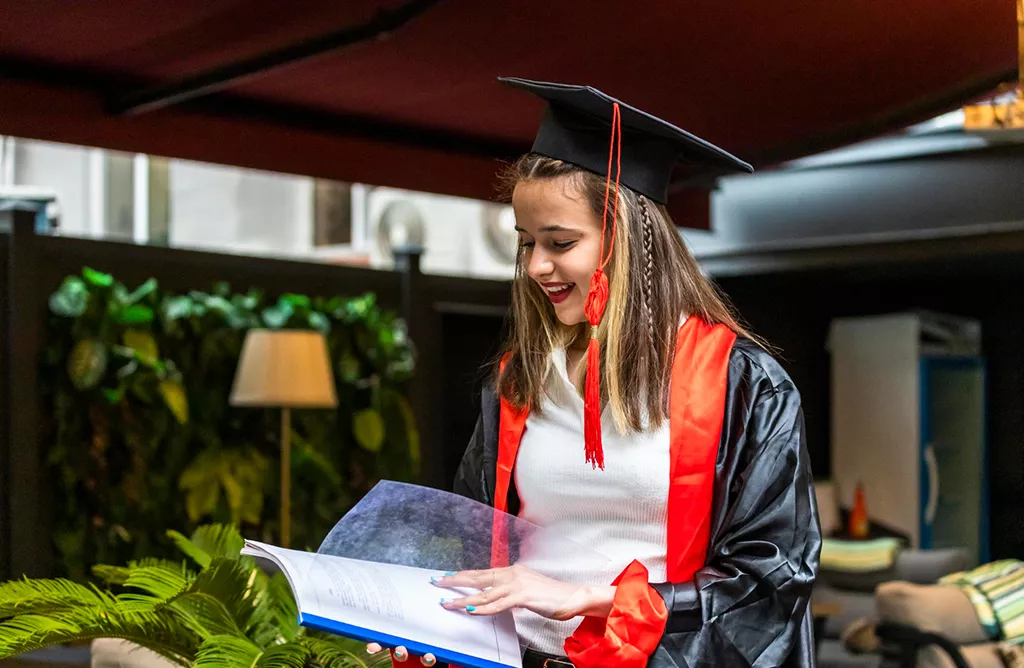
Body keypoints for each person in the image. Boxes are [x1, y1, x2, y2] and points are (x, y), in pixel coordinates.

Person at [368, 77, 821, 668]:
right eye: (526, 242)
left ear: (628, 240)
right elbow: (474, 549)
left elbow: (769, 579)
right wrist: (425, 620)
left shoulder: (743, 385)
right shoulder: (519, 382)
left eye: (561, 242)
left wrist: (589, 599)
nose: (537, 266)